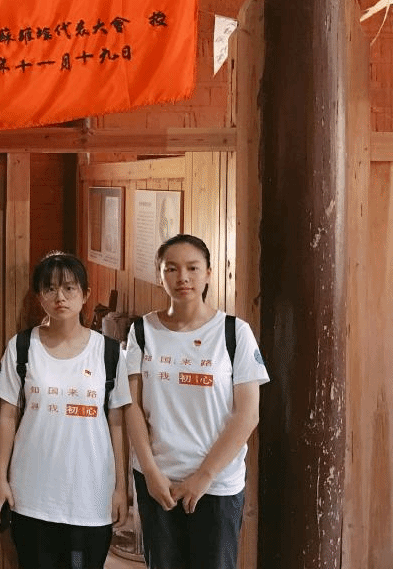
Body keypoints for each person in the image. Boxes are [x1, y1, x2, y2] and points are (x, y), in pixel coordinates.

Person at [124, 234, 269, 569]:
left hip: (216, 484)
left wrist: (205, 475)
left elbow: (247, 414)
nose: (182, 277)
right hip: (158, 481)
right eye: (171, 268)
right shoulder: (142, 331)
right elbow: (131, 407)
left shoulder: (235, 332)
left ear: (208, 273)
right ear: (160, 275)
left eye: (192, 268)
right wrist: (150, 472)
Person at [0, 251, 130, 569]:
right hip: (31, 496)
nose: (60, 297)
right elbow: (7, 417)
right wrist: (0, 479)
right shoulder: (22, 347)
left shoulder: (107, 353)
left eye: (69, 288)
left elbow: (117, 424)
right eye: (50, 289)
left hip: (90, 498)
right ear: (39, 296)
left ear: (85, 294)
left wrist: (121, 488)